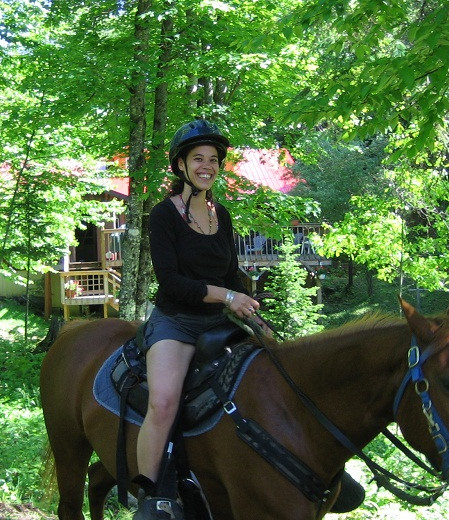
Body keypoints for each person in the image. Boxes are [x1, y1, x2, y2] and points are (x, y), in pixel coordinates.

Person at [134, 120, 262, 518]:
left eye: (213, 160)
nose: (207, 166)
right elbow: (171, 282)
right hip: (176, 322)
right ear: (181, 165)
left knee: (276, 370)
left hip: (218, 321)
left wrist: (256, 317)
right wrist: (227, 295)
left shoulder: (221, 214)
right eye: (198, 159)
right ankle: (150, 496)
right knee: (165, 402)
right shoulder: (163, 214)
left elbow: (230, 274)